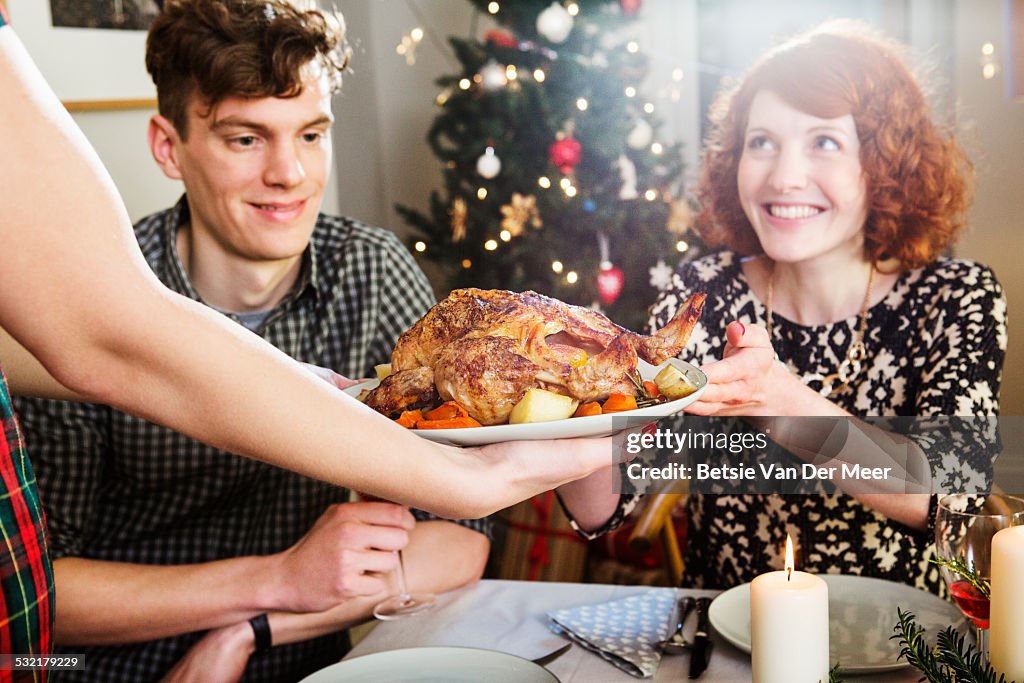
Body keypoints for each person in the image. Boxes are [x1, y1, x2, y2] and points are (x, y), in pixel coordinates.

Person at [0, 7, 613, 666]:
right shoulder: (85, 298)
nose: (289, 172)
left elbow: (458, 540)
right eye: (246, 139)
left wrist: (250, 629)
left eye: (312, 135)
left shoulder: (371, 270)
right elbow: (40, 587)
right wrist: (278, 576)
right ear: (168, 146)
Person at [561, 20, 1006, 594]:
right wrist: (574, 409)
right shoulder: (704, 289)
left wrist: (783, 405)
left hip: (904, 654)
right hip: (722, 645)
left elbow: (954, 498)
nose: (784, 176)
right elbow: (607, 508)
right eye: (761, 142)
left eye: (824, 142)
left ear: (885, 164)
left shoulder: (956, 297)